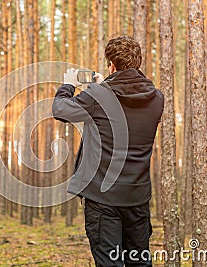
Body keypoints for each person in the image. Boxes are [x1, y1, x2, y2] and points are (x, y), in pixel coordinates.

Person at [52, 36, 164, 266]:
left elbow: (60, 110)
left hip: (102, 198)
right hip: (137, 197)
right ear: (138, 63)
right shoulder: (157, 98)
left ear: (111, 64)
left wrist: (68, 85)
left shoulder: (98, 96)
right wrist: (105, 86)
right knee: (139, 262)